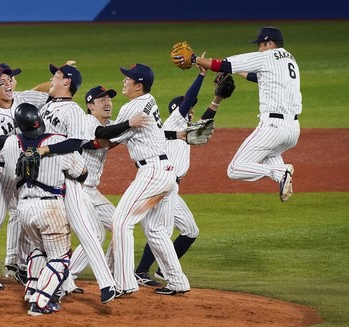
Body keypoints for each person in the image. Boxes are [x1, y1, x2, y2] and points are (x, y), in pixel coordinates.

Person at [134, 62, 231, 284]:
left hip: (170, 185)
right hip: (162, 181)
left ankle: (156, 271)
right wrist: (201, 75)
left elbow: (205, 120)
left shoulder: (185, 130)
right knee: (166, 230)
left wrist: (217, 100)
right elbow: (190, 100)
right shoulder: (173, 121)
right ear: (177, 111)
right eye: (187, 111)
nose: (191, 114)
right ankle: (143, 271)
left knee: (185, 230)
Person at [37, 64, 118, 304]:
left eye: (57, 75)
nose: (52, 78)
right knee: (49, 238)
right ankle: (59, 281)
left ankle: (106, 284)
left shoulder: (73, 112)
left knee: (89, 232)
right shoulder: (49, 104)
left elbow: (74, 143)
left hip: (70, 182)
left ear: (68, 82)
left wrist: (46, 148)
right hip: (47, 179)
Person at [0, 103, 87, 316]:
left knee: (39, 249)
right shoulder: (56, 142)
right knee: (60, 257)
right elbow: (81, 173)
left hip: (24, 208)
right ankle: (40, 302)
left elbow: (9, 168)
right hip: (50, 207)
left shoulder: (10, 143)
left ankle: (32, 289)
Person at [193, 26, 301, 202]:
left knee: (235, 169)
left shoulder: (267, 56)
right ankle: (281, 176)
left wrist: (194, 59)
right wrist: (232, 70)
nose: (259, 49)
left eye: (261, 44)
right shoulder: (290, 60)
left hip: (272, 128)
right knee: (269, 154)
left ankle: (281, 171)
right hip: (293, 131)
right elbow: (257, 77)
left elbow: (222, 64)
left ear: (270, 43)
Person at [0, 63, 50, 295]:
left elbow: (47, 91)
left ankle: (18, 266)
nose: (8, 85)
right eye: (1, 83)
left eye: (9, 80)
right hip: (2, 172)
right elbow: (3, 144)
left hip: (23, 171)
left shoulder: (22, 98)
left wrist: (58, 77)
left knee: (24, 217)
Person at [110, 63, 190, 296]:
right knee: (156, 230)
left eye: (128, 79)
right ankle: (177, 281)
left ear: (139, 85)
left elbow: (113, 135)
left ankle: (125, 282)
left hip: (152, 172)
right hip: (167, 173)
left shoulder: (132, 106)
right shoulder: (150, 100)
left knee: (121, 221)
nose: (124, 81)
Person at [66, 86, 149, 284]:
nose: (107, 103)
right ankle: (66, 275)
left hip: (92, 191)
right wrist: (129, 124)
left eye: (109, 99)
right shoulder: (86, 122)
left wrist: (176, 135)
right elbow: (101, 138)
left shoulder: (111, 125)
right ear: (90, 105)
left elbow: (116, 132)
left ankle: (111, 271)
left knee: (119, 224)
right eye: (101, 100)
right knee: (95, 235)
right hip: (76, 189)